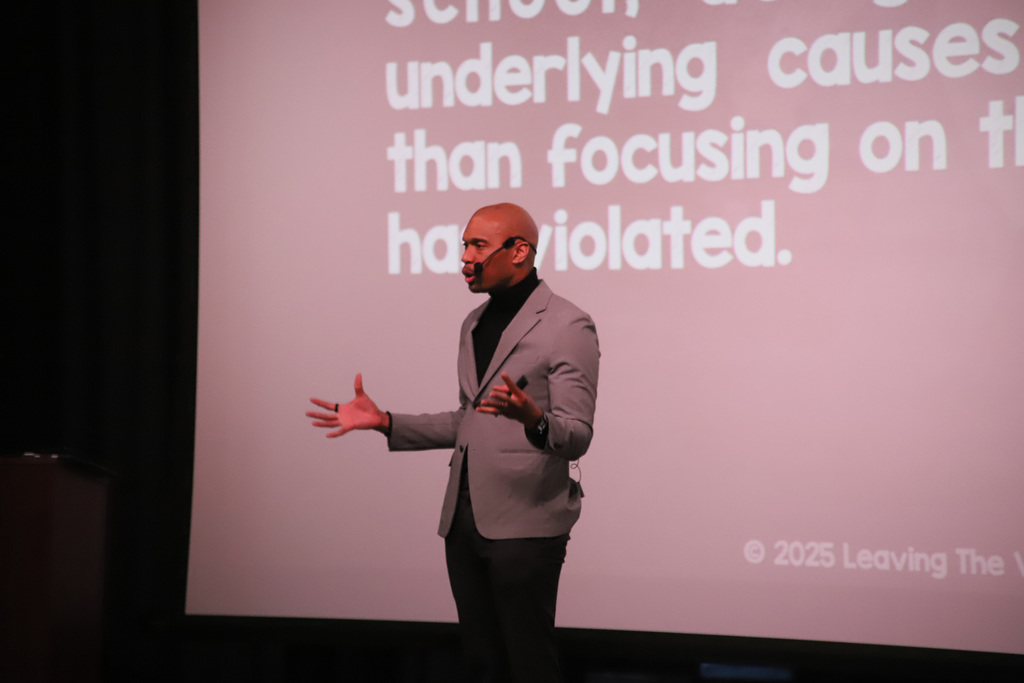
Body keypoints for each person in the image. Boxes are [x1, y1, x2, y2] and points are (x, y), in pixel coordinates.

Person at [306, 202, 600, 683]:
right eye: (464, 244)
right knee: (482, 664)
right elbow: (470, 421)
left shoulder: (567, 325)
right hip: (463, 526)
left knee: (528, 664)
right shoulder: (473, 323)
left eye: (477, 246)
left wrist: (534, 419)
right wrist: (385, 422)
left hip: (525, 528)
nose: (464, 257)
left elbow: (577, 434)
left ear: (519, 251)